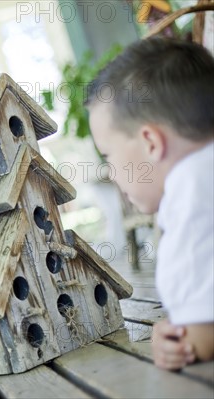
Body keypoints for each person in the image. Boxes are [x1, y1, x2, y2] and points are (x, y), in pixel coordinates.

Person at [85, 37, 214, 370]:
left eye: (108, 155)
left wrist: (173, 340)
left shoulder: (190, 193)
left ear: (151, 142)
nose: (111, 173)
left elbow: (201, 339)